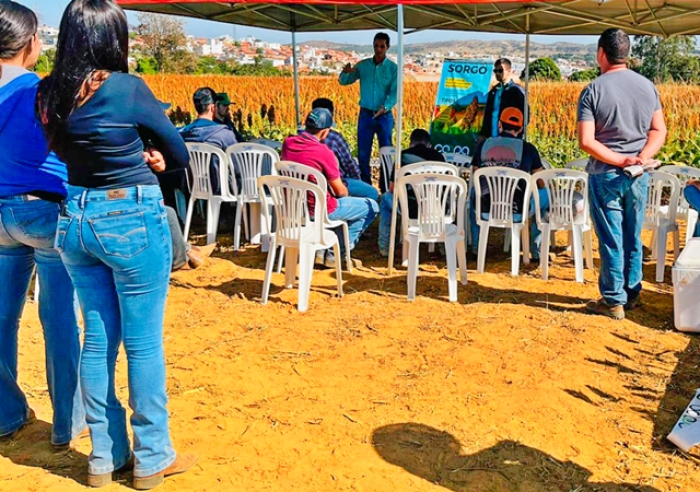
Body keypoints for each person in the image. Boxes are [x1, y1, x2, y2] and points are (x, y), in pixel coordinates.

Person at [37, 0, 197, 488]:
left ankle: (104, 458)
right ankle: (152, 456)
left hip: (75, 218)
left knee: (99, 339)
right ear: (112, 38)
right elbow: (178, 152)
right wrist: (153, 160)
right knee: (143, 342)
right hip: (128, 215)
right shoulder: (126, 89)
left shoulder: (48, 94)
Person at [0, 0, 86, 449]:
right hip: (45, 212)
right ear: (30, 43)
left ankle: (5, 414)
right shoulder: (41, 90)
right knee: (58, 318)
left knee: (1, 318)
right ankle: (67, 423)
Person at [577, 28, 666, 320]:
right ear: (626, 53)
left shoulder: (593, 90)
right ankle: (633, 292)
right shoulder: (647, 86)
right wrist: (641, 157)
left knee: (611, 237)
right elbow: (658, 130)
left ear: (602, 53)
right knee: (632, 233)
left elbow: (587, 141)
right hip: (639, 175)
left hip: (606, 175)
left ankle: (613, 299)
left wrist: (619, 160)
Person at [281, 108, 379, 267]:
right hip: (320, 210)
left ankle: (321, 251)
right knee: (371, 206)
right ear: (325, 131)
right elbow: (340, 191)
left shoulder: (288, 143)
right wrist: (346, 193)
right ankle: (335, 254)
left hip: (295, 208)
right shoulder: (323, 152)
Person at [470, 108, 548, 258]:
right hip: (517, 209)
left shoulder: (483, 145)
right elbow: (540, 181)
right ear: (520, 129)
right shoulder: (528, 148)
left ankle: (476, 248)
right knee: (544, 195)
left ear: (500, 124)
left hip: (486, 208)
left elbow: (476, 172)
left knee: (474, 194)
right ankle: (536, 249)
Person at [339, 32, 398, 186]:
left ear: (387, 47)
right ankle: (366, 186)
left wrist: (385, 107)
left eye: (382, 46)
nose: (378, 49)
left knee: (386, 152)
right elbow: (345, 81)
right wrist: (345, 72)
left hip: (384, 115)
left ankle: (386, 187)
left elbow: (394, 93)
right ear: (373, 45)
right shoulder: (363, 66)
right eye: (376, 46)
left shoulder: (393, 69)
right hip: (366, 114)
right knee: (363, 152)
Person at [377, 129, 445, 256]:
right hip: (435, 208)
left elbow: (392, 188)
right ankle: (442, 243)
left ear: (410, 143)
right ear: (428, 144)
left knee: (386, 198)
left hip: (409, 208)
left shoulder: (402, 156)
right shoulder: (439, 157)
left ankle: (384, 247)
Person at [311, 97, 379, 201]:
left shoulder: (292, 141)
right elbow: (349, 164)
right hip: (335, 186)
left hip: (306, 187)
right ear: (331, 116)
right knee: (372, 194)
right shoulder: (334, 138)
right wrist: (358, 181)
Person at [180, 87, 238, 194]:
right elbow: (238, 164)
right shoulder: (224, 134)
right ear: (212, 107)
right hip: (220, 190)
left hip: (193, 188)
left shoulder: (182, 133)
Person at [479, 58, 526, 140]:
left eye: (500, 70)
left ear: (509, 71)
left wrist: (517, 133)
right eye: (495, 71)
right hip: (492, 137)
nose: (497, 73)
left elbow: (525, 115)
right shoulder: (494, 90)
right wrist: (484, 133)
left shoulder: (517, 91)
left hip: (510, 138)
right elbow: (488, 114)